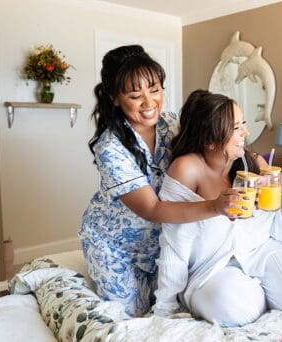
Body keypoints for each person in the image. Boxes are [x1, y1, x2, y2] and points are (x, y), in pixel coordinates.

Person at [152, 90, 282, 326]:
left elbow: (279, 232)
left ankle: (263, 297)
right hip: (212, 268)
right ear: (210, 140)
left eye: (243, 124)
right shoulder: (187, 168)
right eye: (236, 128)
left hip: (261, 252)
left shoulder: (253, 163)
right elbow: (174, 242)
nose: (246, 133)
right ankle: (258, 298)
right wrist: (165, 305)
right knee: (232, 306)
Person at [79, 45, 234, 316]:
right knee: (131, 318)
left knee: (177, 310)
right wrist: (214, 207)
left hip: (162, 243)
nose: (149, 102)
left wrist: (254, 161)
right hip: (117, 247)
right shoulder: (111, 148)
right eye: (135, 95)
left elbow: (212, 147)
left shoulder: (172, 124)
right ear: (115, 98)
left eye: (155, 90)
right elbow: (151, 209)